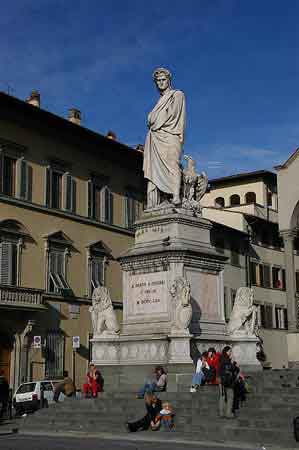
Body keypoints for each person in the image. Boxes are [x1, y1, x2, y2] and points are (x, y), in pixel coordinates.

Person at [143, 67, 186, 208]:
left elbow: (173, 115)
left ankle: (176, 197)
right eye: (158, 81)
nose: (161, 83)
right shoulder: (159, 102)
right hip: (156, 138)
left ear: (169, 81)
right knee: (155, 169)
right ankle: (157, 201)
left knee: (173, 164)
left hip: (170, 134)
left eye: (163, 80)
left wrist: (155, 122)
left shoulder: (177, 95)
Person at [218, 346, 239, 419]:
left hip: (221, 380)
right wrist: (234, 364)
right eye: (230, 351)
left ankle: (221, 413)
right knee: (230, 396)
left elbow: (220, 370)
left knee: (222, 396)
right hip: (228, 381)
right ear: (226, 351)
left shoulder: (221, 359)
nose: (231, 353)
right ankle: (228, 413)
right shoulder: (227, 360)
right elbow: (230, 368)